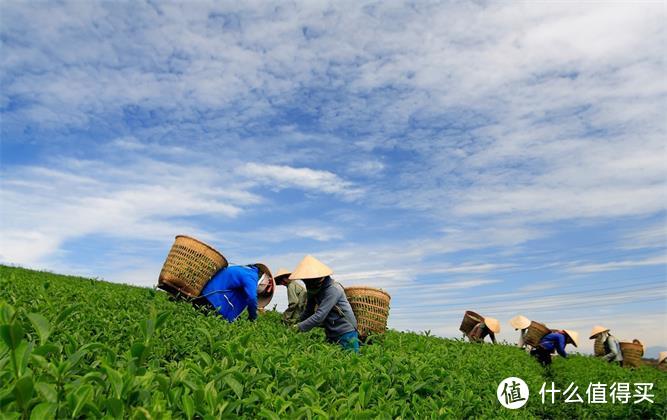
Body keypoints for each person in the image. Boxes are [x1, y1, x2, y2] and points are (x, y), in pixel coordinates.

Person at [289, 255, 359, 353]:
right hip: (331, 331)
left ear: (319, 277)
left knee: (352, 361)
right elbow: (308, 311)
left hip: (346, 331)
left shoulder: (333, 289)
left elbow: (319, 316)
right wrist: (296, 323)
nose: (307, 283)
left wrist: (299, 327)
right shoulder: (314, 290)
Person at [199, 264, 272, 322]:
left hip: (204, 296)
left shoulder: (244, 270)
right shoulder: (251, 276)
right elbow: (252, 298)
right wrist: (253, 318)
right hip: (212, 302)